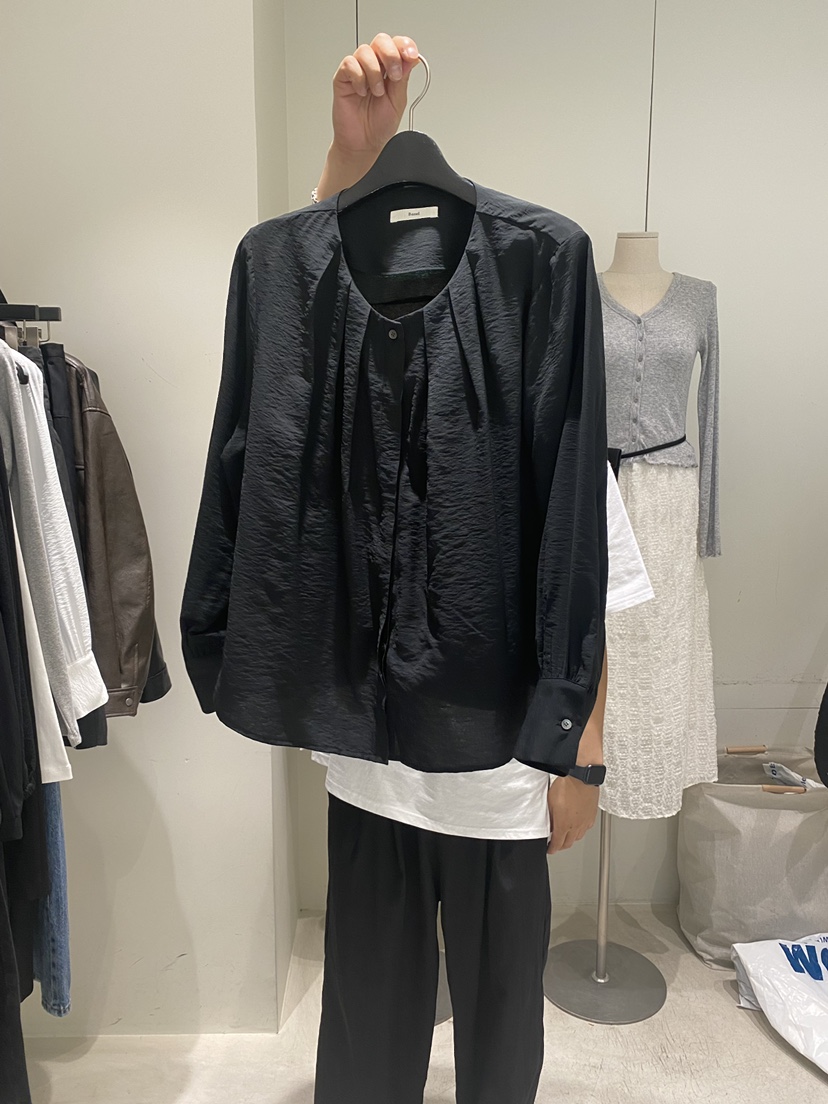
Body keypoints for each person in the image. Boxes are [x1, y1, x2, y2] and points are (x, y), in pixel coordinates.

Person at [310, 33, 653, 1104]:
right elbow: (306, 303)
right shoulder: (351, 385)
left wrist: (583, 757)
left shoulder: (533, 374)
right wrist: (347, 160)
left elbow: (591, 584)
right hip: (370, 771)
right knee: (367, 1030)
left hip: (502, 781)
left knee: (501, 1041)